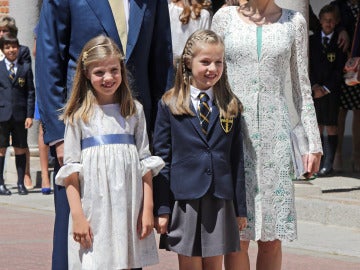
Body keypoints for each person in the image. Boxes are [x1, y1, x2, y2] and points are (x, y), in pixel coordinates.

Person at [35, 1, 173, 269]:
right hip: (82, 137)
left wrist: (162, 132)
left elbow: (161, 61)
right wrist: (58, 135)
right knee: (79, 242)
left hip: (130, 136)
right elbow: (49, 60)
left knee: (126, 241)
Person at [212, 1, 322, 270]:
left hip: (276, 137)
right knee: (238, 234)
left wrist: (313, 142)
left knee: (271, 237)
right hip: (233, 133)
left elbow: (301, 86)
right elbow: (210, 77)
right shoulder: (224, 17)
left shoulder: (294, 22)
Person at [55, 35, 164, 269]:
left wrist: (147, 209)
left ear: (122, 70)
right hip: (95, 211)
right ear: (86, 73)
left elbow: (145, 164)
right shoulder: (78, 117)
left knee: (126, 262)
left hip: (128, 208)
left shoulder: (134, 111)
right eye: (99, 73)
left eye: (114, 70)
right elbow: (70, 173)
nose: (108, 78)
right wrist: (77, 217)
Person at [153, 29, 247, 270]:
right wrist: (162, 208)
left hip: (220, 199)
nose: (212, 69)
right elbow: (162, 160)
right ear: (187, 62)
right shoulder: (170, 104)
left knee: (214, 266)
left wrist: (240, 208)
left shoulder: (230, 105)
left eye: (219, 62)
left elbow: (237, 160)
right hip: (185, 200)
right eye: (205, 62)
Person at [310, 4, 347, 177]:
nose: (328, 23)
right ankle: (316, 164)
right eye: (325, 20)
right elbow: (307, 66)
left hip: (331, 92)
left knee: (331, 126)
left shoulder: (340, 42)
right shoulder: (312, 40)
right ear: (320, 20)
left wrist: (325, 89)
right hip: (315, 90)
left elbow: (340, 70)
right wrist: (314, 86)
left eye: (331, 20)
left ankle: (328, 164)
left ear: (336, 22)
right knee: (316, 126)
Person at [0, 15, 33, 190]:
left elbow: (29, 89)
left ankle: (22, 180)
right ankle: (1, 183)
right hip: (3, 111)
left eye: (5, 31)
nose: (2, 33)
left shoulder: (24, 56)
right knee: (1, 147)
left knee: (21, 145)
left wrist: (29, 114)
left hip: (19, 110)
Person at [330, 0, 360, 173]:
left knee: (358, 111)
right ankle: (337, 154)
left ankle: (356, 154)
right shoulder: (338, 5)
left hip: (359, 66)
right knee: (340, 111)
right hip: (340, 65)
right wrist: (341, 30)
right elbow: (328, 25)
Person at [32, 23, 51, 194]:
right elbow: (36, 52)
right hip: (48, 77)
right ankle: (45, 176)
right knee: (43, 128)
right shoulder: (44, 20)